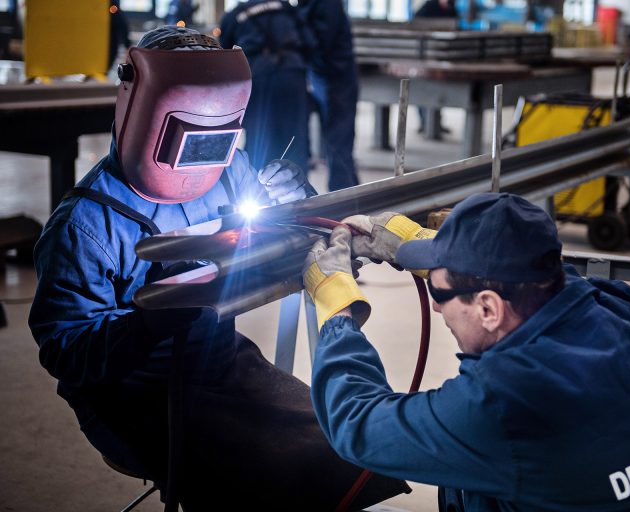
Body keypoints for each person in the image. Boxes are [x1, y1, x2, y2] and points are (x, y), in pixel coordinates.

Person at [28, 26, 407, 510]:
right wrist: (148, 323)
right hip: (135, 395)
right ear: (144, 110)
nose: (206, 154)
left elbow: (280, 234)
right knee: (263, 478)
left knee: (348, 440)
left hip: (223, 362)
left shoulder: (229, 168)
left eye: (219, 136)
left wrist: (296, 201)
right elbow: (66, 353)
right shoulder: (85, 225)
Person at [303, 192, 630, 511]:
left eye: (441, 292)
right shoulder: (626, 308)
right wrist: (445, 250)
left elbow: (356, 424)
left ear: (488, 307)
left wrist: (338, 310)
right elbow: (560, 276)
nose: (434, 304)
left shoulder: (505, 405)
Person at [219, 0, 313, 176]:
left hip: (258, 77)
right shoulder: (286, 8)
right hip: (292, 76)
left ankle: (258, 191)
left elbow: (225, 55)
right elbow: (309, 42)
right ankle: (299, 194)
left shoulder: (234, 15)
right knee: (295, 138)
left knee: (259, 137)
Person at [299, 0, 360, 191]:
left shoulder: (327, 4)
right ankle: (352, 193)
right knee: (335, 141)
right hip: (322, 75)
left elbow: (320, 40)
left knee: (338, 141)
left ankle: (345, 198)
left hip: (335, 77)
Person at [413, 0, 457, 137]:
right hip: (424, 54)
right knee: (422, 90)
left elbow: (455, 28)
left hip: (440, 55)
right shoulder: (429, 7)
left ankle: (435, 124)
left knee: (438, 92)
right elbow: (415, 25)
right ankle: (424, 123)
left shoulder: (452, 8)